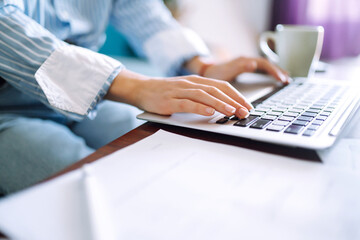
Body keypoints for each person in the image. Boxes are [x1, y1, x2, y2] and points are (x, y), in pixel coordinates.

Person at [0, 0, 289, 195]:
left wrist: (204, 66)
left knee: (171, 147)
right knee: (99, 190)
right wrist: (136, 86)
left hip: (88, 100)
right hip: (8, 113)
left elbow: (141, 11)